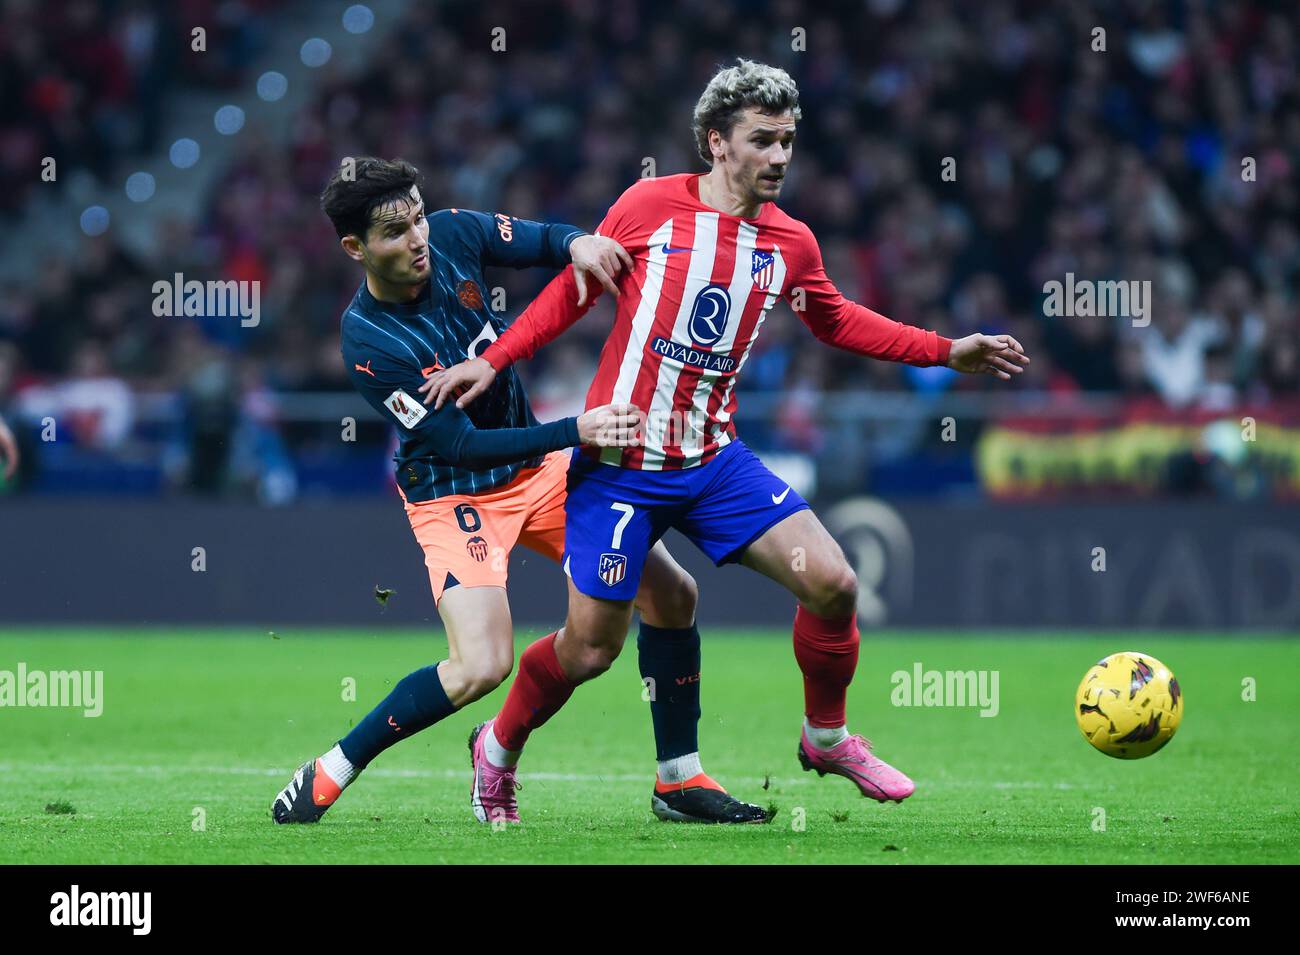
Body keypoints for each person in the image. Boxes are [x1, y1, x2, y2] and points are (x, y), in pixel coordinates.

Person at [425, 61, 1031, 822]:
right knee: (590, 649)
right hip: (618, 467)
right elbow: (572, 292)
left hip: (713, 461)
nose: (780, 157)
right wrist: (493, 359)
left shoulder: (790, 242)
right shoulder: (649, 207)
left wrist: (947, 351)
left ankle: (824, 737)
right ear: (717, 142)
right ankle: (498, 747)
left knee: (835, 583)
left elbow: (835, 318)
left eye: (788, 142)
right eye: (763, 141)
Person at [272, 157, 769, 827]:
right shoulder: (370, 341)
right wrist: (576, 427)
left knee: (672, 593)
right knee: (481, 664)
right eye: (395, 231)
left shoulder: (451, 234)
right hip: (456, 495)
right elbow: (458, 444)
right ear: (355, 248)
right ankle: (335, 765)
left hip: (539, 473)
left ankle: (677, 780)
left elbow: (534, 238)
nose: (417, 237)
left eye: (417, 216)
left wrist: (576, 241)